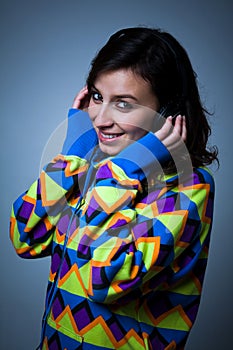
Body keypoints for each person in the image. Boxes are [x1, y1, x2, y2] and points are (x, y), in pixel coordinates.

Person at [10, 27, 218, 349]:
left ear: (165, 114)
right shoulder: (91, 169)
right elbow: (26, 237)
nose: (100, 119)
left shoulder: (188, 189)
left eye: (123, 104)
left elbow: (104, 278)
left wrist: (124, 172)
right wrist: (72, 156)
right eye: (97, 97)